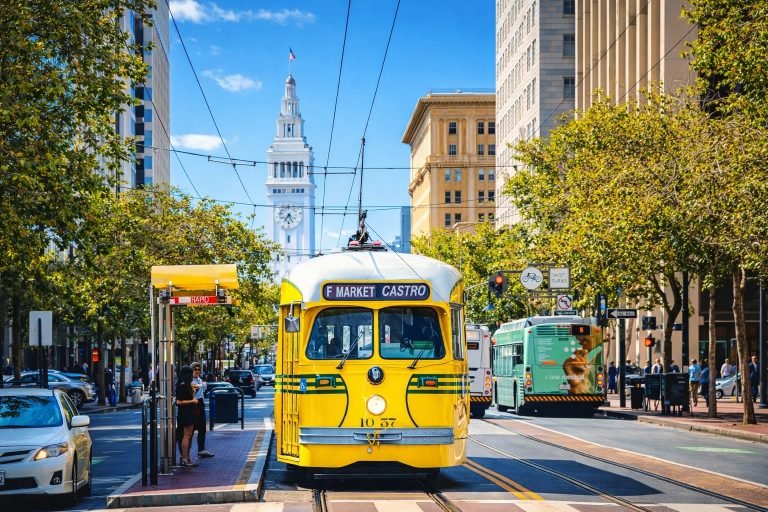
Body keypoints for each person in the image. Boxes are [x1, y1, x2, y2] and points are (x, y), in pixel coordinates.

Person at [176, 365, 199, 467]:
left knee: (189, 436)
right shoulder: (183, 385)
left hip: (189, 412)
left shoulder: (186, 385)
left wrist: (194, 391)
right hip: (186, 412)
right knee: (186, 436)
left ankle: (187, 458)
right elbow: (179, 401)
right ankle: (185, 459)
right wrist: (192, 401)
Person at [191, 362, 214, 458]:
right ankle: (185, 454)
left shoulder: (200, 380)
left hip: (200, 403)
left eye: (198, 369)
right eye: (195, 369)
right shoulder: (190, 380)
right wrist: (200, 386)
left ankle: (201, 449)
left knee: (202, 428)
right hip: (193, 404)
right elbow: (193, 389)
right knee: (190, 429)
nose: (197, 371)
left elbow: (202, 391)